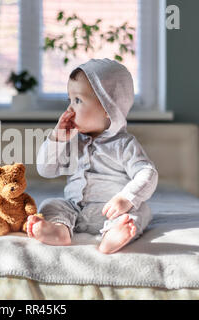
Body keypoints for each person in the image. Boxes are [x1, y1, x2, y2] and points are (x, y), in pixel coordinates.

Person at [28, 58, 158, 254]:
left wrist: (127, 198)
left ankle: (113, 235)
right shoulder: (72, 140)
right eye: (69, 100)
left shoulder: (124, 144)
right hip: (75, 210)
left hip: (112, 210)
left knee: (141, 210)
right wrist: (57, 139)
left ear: (108, 109)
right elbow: (45, 169)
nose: (69, 109)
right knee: (51, 204)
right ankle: (60, 230)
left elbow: (147, 173)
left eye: (78, 100)